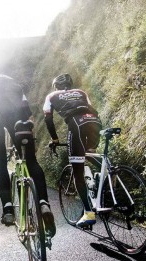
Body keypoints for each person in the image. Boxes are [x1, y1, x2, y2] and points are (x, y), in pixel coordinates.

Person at [0, 66, 56, 237]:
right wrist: (30, 141)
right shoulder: (13, 84)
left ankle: (8, 209)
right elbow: (27, 111)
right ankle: (43, 203)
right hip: (17, 115)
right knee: (31, 161)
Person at [43, 73, 102, 227]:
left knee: (78, 171)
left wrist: (55, 139)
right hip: (95, 121)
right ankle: (108, 176)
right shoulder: (81, 92)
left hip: (76, 124)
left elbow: (48, 118)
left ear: (56, 86)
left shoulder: (51, 95)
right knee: (90, 152)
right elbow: (92, 109)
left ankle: (89, 214)